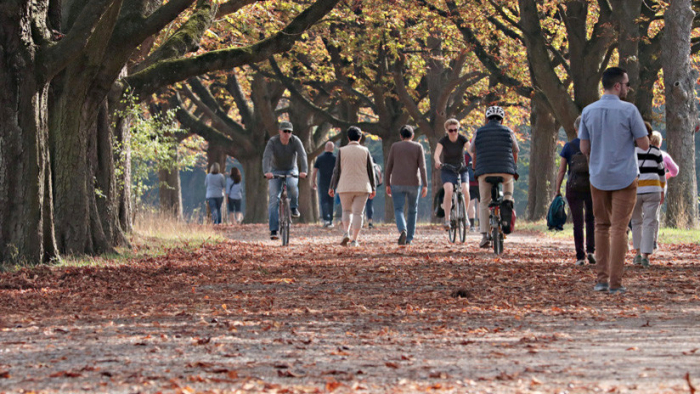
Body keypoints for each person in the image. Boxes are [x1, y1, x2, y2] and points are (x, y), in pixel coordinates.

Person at [579, 66, 649, 295]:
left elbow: (584, 147)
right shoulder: (630, 111)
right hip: (625, 176)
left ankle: (601, 280)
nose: (628, 88)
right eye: (627, 84)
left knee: (601, 226)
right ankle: (615, 283)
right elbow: (645, 144)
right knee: (619, 228)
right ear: (618, 86)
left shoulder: (588, 111)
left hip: (598, 176)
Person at [469, 106, 519, 248]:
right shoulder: (509, 131)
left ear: (486, 119)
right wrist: (513, 167)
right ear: (502, 120)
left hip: (484, 172)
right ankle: (507, 207)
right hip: (505, 171)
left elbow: (473, 150)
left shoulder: (478, 132)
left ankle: (485, 236)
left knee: (484, 202)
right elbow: (515, 150)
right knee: (508, 194)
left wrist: (475, 169)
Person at [555, 116, 595, 266]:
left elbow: (561, 170)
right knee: (591, 219)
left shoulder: (568, 146)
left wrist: (557, 189)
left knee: (578, 222)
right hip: (591, 186)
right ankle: (591, 250)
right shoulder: (593, 145)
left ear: (576, 129)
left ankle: (580, 256)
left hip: (574, 187)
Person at [329, 126, 376, 247]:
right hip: (362, 186)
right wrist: (373, 187)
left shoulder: (341, 150)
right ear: (360, 138)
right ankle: (354, 240)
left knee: (346, 210)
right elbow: (371, 170)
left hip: (345, 186)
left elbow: (336, 171)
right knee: (358, 213)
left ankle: (346, 233)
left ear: (348, 138)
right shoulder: (365, 151)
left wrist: (332, 186)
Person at [262, 121, 308, 240]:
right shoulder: (273, 142)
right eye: (285, 131)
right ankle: (273, 230)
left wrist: (304, 171)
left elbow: (302, 155)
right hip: (275, 170)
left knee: (292, 186)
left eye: (289, 131)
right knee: (274, 199)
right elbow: (266, 156)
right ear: (280, 132)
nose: (287, 133)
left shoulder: (296, 141)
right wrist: (267, 171)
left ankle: (293, 207)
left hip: (291, 169)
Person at [385, 125, 428, 245]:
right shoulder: (418, 146)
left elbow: (389, 166)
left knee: (398, 209)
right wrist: (425, 184)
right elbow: (422, 167)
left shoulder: (395, 146)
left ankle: (402, 229)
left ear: (400, 136)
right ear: (412, 135)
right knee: (412, 210)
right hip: (414, 183)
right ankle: (409, 238)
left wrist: (387, 183)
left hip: (397, 182)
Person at [631, 130, 666, 267]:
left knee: (636, 222)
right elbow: (662, 173)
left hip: (635, 189)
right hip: (653, 189)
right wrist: (662, 189)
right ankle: (646, 255)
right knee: (649, 222)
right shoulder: (656, 152)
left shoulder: (632, 151)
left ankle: (638, 253)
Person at [434, 118, 470, 230]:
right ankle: (447, 219)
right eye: (451, 130)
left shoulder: (462, 139)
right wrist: (438, 162)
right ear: (447, 131)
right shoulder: (443, 141)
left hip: (461, 168)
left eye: (456, 130)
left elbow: (471, 151)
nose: (454, 132)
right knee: (448, 190)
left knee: (466, 190)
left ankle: (465, 216)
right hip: (447, 169)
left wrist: (475, 160)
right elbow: (436, 154)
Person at [650, 131, 678, 249]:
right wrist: (667, 175)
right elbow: (675, 171)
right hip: (660, 186)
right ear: (660, 143)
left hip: (643, 186)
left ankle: (643, 239)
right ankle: (654, 240)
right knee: (656, 213)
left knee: (643, 214)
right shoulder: (664, 156)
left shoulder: (643, 154)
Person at [312, 141, 336, 228]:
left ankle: (326, 219)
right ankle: (330, 220)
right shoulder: (335, 158)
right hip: (332, 183)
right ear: (333, 149)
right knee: (331, 200)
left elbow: (315, 171)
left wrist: (313, 181)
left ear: (325, 148)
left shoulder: (320, 158)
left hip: (322, 182)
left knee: (323, 200)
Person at [365, 155, 380, 229]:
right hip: (371, 187)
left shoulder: (363, 162)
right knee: (369, 204)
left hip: (363, 186)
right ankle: (370, 221)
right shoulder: (374, 164)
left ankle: (360, 222)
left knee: (360, 204)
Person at [465, 151, 479, 232]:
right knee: (481, 204)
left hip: (470, 181)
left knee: (471, 204)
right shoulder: (482, 145)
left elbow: (465, 165)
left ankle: (472, 226)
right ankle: (481, 225)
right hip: (481, 180)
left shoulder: (468, 150)